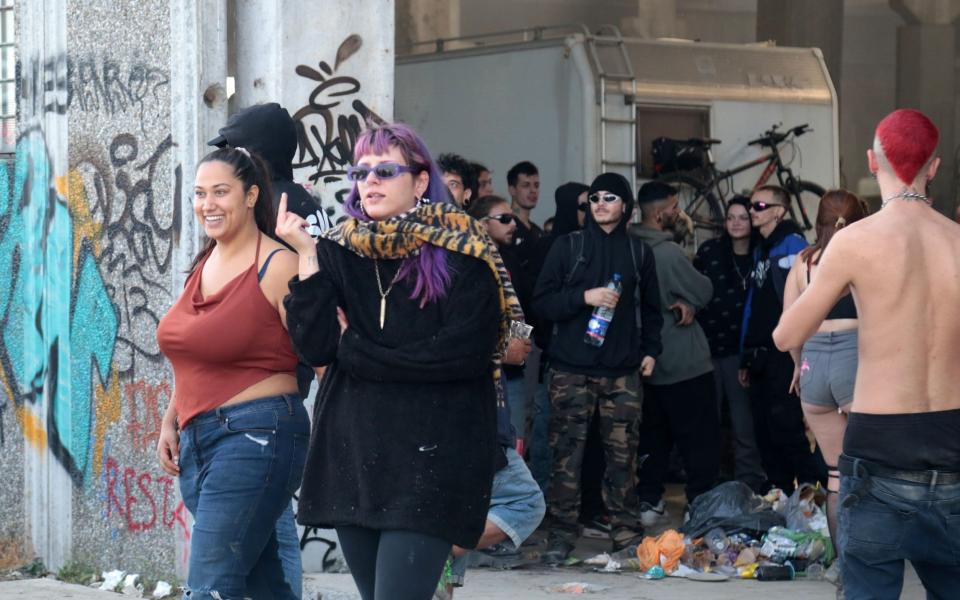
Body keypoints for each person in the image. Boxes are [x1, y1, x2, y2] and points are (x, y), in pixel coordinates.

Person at [276, 123, 518, 600]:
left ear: (421, 181)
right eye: (361, 172)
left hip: (431, 459)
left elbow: (459, 358)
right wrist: (306, 255)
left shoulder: (463, 253)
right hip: (355, 457)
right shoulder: (340, 251)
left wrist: (358, 351)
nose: (370, 181)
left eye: (386, 170)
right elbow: (318, 347)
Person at [774, 108, 960, 600]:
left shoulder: (854, 242)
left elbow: (786, 334)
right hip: (953, 442)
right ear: (934, 167)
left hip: (878, 447)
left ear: (873, 163)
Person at [156, 147, 308, 600]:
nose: (208, 204)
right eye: (201, 194)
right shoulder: (203, 264)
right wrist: (171, 418)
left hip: (257, 435)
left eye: (221, 192)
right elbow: (196, 356)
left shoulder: (278, 265)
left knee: (209, 587)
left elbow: (320, 352)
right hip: (199, 440)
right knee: (263, 585)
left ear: (250, 195)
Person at [209, 101, 327, 598]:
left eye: (234, 149)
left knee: (268, 519)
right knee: (267, 513)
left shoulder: (271, 206)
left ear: (258, 154)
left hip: (260, 385)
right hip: (284, 377)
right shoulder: (305, 201)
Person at [533, 172, 663, 561]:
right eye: (594, 198)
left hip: (622, 372)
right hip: (570, 368)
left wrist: (651, 350)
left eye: (610, 197)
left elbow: (653, 310)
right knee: (565, 459)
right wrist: (583, 296)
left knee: (623, 459)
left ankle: (626, 535)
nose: (601, 203)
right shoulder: (567, 246)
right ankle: (560, 536)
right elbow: (541, 303)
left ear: (626, 206)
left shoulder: (640, 253)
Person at [782, 189, 868, 592]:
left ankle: (842, 567)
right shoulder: (865, 258)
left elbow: (790, 322)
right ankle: (871, 563)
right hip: (855, 360)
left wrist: (799, 365)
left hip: (814, 364)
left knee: (835, 474)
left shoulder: (803, 264)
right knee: (866, 470)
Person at [631, 181, 719, 526]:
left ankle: (649, 500)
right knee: (699, 440)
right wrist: (692, 300)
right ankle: (700, 504)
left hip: (645, 364)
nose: (678, 212)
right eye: (673, 206)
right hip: (683, 360)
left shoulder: (628, 248)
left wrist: (687, 303)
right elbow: (703, 287)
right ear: (659, 213)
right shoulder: (666, 254)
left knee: (653, 436)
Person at [740, 185, 825, 494]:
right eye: (751, 205)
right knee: (764, 430)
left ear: (779, 211)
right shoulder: (761, 248)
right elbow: (754, 305)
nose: (752, 210)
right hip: (760, 355)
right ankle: (780, 495)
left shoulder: (793, 246)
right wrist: (745, 353)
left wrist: (800, 356)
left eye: (760, 205)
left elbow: (803, 304)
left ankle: (811, 494)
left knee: (787, 427)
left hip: (785, 354)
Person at [694, 195, 766, 492]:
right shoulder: (710, 251)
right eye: (731, 217)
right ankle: (707, 483)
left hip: (741, 352)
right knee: (706, 421)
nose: (736, 222)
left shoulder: (761, 255)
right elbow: (692, 289)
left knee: (743, 423)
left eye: (743, 217)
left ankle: (749, 482)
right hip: (707, 348)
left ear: (752, 221)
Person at [528, 182, 589, 492]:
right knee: (549, 435)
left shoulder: (593, 244)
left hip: (590, 358)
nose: (590, 210)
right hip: (553, 357)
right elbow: (538, 303)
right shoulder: (550, 247)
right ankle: (543, 505)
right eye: (582, 205)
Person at [467, 195, 534, 442]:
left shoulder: (511, 260)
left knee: (514, 442)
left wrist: (514, 347)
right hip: (479, 371)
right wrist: (502, 351)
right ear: (482, 224)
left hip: (511, 374)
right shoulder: (468, 260)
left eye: (513, 219)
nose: (513, 224)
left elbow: (523, 308)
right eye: (504, 219)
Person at [506, 161, 542, 265]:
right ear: (512, 190)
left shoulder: (538, 232)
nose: (533, 190)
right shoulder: (505, 226)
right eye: (526, 185)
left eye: (536, 185)